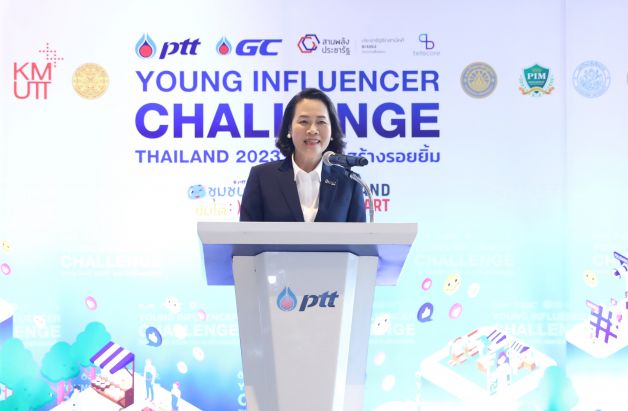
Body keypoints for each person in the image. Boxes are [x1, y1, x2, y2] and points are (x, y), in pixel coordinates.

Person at [240, 88, 366, 222]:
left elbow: (359, 235)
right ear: (289, 128)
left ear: (332, 130)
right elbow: (246, 233)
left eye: (321, 122)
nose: (312, 130)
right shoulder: (262, 177)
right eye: (304, 121)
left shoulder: (350, 182)